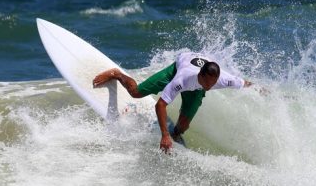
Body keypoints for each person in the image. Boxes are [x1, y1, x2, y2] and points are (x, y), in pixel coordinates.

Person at [93, 52, 254, 152]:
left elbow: (245, 84)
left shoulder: (223, 80)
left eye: (214, 83)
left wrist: (263, 91)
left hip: (195, 86)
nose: (211, 86)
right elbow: (161, 104)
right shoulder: (183, 77)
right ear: (201, 75)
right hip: (179, 66)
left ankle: (175, 136)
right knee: (136, 92)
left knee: (182, 127)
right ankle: (116, 74)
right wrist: (164, 136)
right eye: (208, 83)